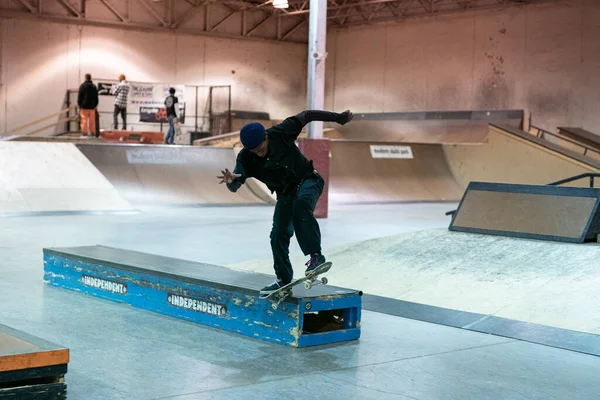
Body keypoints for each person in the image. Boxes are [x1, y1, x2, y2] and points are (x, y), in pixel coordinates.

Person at [217, 109, 354, 295]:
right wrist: (232, 182)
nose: (259, 154)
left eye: (261, 148)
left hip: (308, 180)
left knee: (301, 206)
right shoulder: (246, 158)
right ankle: (283, 278)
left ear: (265, 137)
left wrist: (338, 118)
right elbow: (236, 184)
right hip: (285, 194)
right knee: (278, 234)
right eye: (254, 151)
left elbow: (307, 115)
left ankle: (316, 256)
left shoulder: (281, 132)